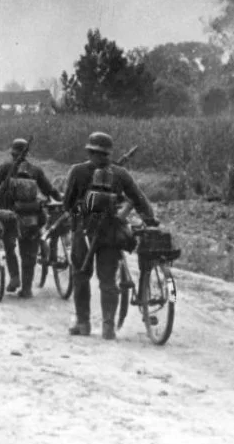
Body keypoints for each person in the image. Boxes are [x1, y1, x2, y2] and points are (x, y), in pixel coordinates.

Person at [63, 132, 158, 339]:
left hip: (83, 233)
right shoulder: (120, 173)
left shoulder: (77, 171)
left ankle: (83, 323)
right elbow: (139, 200)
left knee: (80, 276)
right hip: (110, 234)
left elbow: (67, 204)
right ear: (108, 152)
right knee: (108, 280)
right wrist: (150, 220)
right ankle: (108, 327)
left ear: (89, 151)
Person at [0, 138, 63, 298]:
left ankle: (14, 277)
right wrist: (59, 198)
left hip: (9, 215)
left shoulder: (5, 167)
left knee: (9, 246)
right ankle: (27, 288)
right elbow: (49, 189)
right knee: (29, 252)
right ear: (27, 153)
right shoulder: (36, 170)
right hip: (31, 215)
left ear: (12, 152)